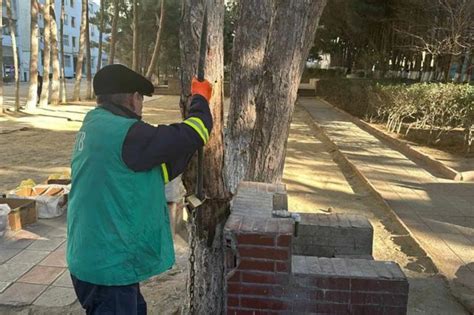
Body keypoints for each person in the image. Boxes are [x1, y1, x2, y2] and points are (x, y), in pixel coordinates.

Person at [67, 64, 213, 315]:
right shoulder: (128, 134)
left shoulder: (95, 125)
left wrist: (179, 153)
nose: (142, 106)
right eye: (142, 99)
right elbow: (197, 130)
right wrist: (200, 97)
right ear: (134, 98)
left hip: (94, 259)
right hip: (108, 269)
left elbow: (147, 169)